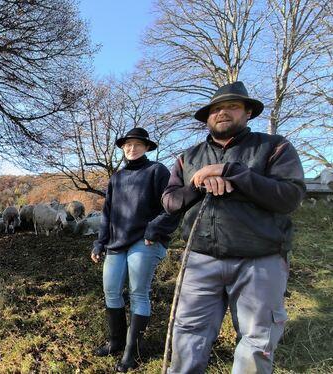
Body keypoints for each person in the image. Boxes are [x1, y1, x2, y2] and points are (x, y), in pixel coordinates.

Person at [162, 81, 306, 374]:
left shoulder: (274, 147)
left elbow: (290, 197)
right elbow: (169, 201)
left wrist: (234, 173)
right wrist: (199, 184)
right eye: (215, 109)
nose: (222, 113)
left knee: (256, 340)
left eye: (232, 106)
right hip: (201, 259)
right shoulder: (187, 157)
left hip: (259, 259)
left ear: (248, 112)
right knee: (188, 334)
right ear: (207, 117)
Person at [91, 127, 180, 372]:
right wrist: (100, 241)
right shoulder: (116, 178)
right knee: (111, 291)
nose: (132, 148)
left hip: (144, 240)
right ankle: (116, 342)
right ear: (122, 148)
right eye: (127, 145)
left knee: (138, 293)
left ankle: (132, 352)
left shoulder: (157, 171)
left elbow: (172, 207)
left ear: (147, 147)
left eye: (137, 144)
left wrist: (155, 230)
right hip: (117, 242)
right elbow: (107, 213)